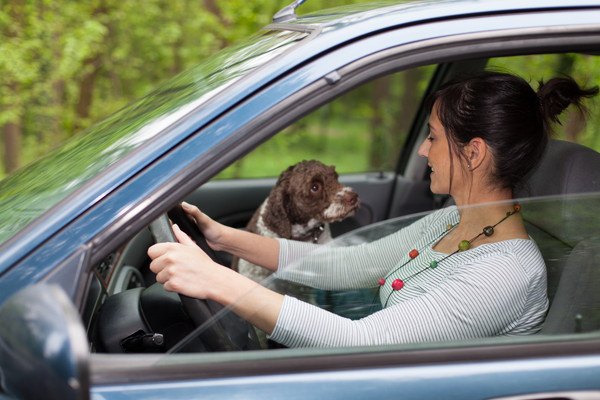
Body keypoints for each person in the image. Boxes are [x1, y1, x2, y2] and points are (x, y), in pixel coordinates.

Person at [148, 71, 598, 348]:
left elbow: (362, 342)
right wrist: (223, 240)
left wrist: (219, 281)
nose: (423, 150)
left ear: (474, 152)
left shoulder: (508, 272)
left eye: (434, 136)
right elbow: (342, 266)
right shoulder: (451, 221)